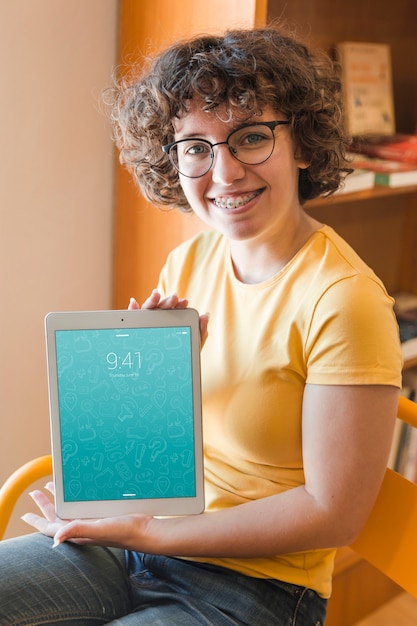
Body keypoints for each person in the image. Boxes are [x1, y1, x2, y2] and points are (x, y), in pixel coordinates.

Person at [0, 25, 402, 626]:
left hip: (255, 589)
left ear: (304, 145)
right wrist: (145, 382)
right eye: (196, 147)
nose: (225, 172)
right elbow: (156, 457)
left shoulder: (345, 300)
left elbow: (333, 512)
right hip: (136, 549)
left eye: (251, 137)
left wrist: (152, 532)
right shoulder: (190, 261)